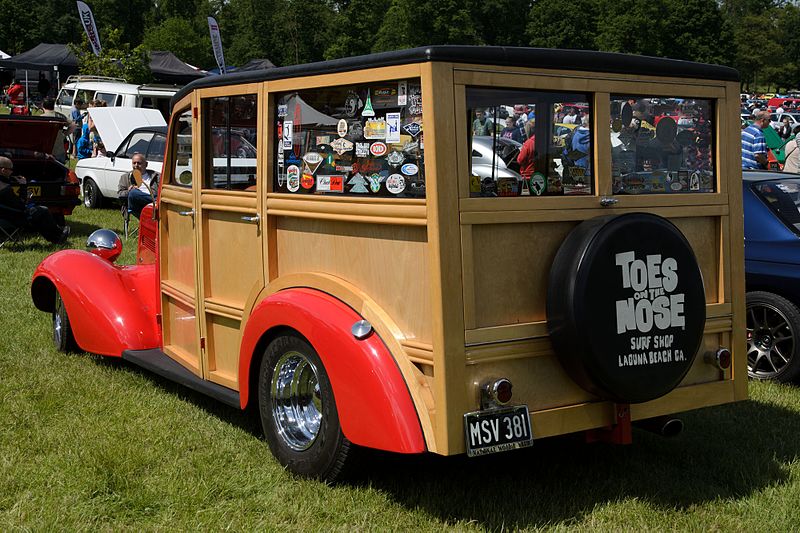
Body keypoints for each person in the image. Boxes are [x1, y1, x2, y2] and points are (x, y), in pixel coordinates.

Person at [0, 156, 70, 244]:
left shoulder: (3, 185)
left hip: (4, 214)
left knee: (38, 211)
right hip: (12, 217)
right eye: (10, 170)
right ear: (3, 170)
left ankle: (57, 235)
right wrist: (23, 186)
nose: (12, 172)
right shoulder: (5, 189)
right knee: (42, 211)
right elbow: (21, 205)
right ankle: (58, 237)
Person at [118, 153, 160, 218]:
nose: (136, 165)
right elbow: (120, 194)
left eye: (139, 163)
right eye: (134, 163)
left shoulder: (156, 176)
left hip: (152, 205)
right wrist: (128, 191)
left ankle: (154, 202)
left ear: (146, 164)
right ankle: (155, 201)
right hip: (137, 205)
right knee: (133, 193)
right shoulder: (125, 177)